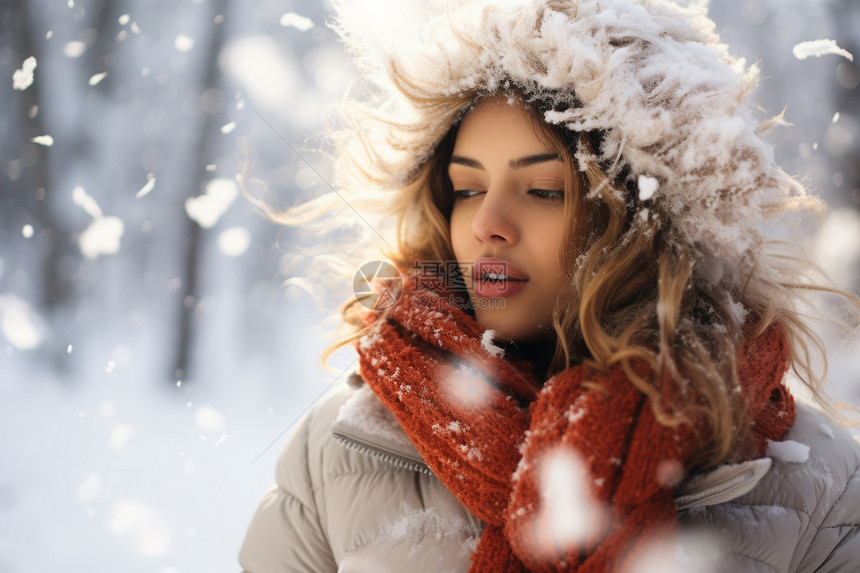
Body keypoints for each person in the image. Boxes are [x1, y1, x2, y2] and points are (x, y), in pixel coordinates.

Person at [239, 0, 860, 571]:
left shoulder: (818, 487)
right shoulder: (339, 451)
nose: (487, 224)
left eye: (543, 191)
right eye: (467, 189)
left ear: (646, 226)